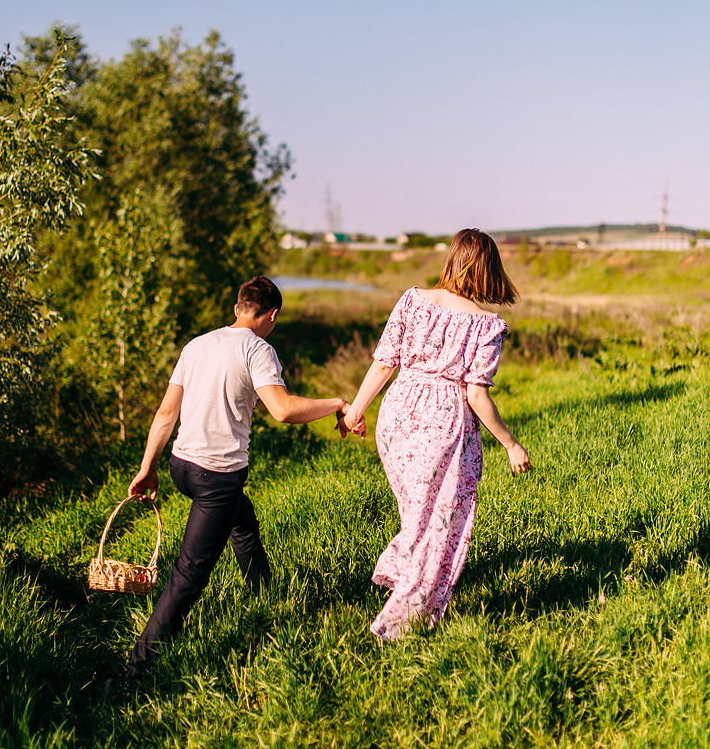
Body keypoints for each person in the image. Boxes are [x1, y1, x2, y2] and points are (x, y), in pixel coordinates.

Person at [123, 275, 363, 682]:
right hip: (216, 476)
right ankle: (136, 671)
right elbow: (282, 409)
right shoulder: (259, 348)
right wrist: (338, 403)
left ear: (238, 308)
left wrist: (148, 467)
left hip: (180, 465)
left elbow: (165, 415)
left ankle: (264, 599)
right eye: (274, 320)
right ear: (271, 315)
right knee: (188, 576)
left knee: (243, 522)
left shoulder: (196, 345)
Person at [341, 229, 531, 640]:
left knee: (417, 512)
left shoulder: (412, 300)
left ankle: (403, 573)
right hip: (442, 423)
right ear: (488, 268)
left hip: (397, 415)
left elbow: (383, 363)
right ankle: (403, 619)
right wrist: (511, 443)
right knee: (438, 520)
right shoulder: (486, 325)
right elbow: (476, 395)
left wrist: (356, 410)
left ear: (452, 259)